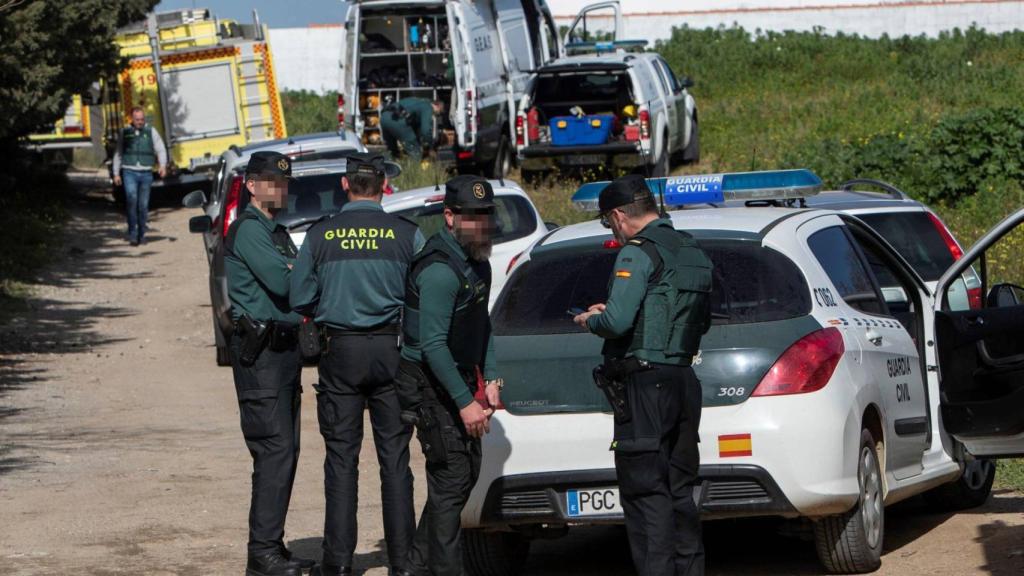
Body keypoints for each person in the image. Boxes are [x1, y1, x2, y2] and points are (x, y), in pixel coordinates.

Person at [290, 154, 425, 576]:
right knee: (396, 461)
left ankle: (338, 563)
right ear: (383, 185)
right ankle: (402, 563)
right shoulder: (408, 235)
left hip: (340, 355)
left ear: (346, 185)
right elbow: (423, 295)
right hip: (393, 353)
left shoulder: (321, 234)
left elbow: (298, 297)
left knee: (342, 461)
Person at [572, 174, 713, 576]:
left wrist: (590, 320)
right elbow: (694, 322)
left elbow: (617, 323)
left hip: (644, 386)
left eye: (607, 221)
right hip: (684, 381)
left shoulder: (636, 252)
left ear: (618, 215)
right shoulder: (692, 250)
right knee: (679, 494)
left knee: (646, 494)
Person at [393, 175, 502, 576]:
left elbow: (480, 323)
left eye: (486, 216)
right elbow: (433, 347)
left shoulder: (477, 262)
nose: (482, 225)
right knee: (451, 479)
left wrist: (490, 377)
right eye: (473, 217)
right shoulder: (439, 271)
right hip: (428, 383)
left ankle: (415, 566)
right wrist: (465, 403)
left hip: (454, 378)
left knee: (463, 476)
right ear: (451, 217)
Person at [225, 151, 314, 576]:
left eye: (285, 183)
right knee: (274, 451)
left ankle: (271, 548)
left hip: (284, 353)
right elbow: (285, 281)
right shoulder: (248, 231)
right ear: (252, 184)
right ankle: (262, 554)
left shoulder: (276, 232)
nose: (281, 189)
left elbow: (299, 279)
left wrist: (296, 268)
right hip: (261, 357)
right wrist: (297, 269)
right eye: (273, 182)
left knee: (286, 451)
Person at [112, 106, 167, 246]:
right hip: (129, 172)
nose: (140, 122)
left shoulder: (151, 131)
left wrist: (162, 165)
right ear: (132, 119)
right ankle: (132, 233)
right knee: (132, 200)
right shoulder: (124, 132)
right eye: (137, 119)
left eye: (142, 119)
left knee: (143, 205)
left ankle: (142, 234)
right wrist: (116, 173)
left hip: (146, 173)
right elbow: (118, 153)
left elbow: (160, 149)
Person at [379, 97, 444, 160]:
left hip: (384, 118)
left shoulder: (416, 100)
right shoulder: (428, 107)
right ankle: (414, 170)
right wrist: (430, 147)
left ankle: (390, 168)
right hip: (398, 122)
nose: (436, 115)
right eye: (439, 113)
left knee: (393, 153)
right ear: (437, 105)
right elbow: (425, 130)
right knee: (416, 153)